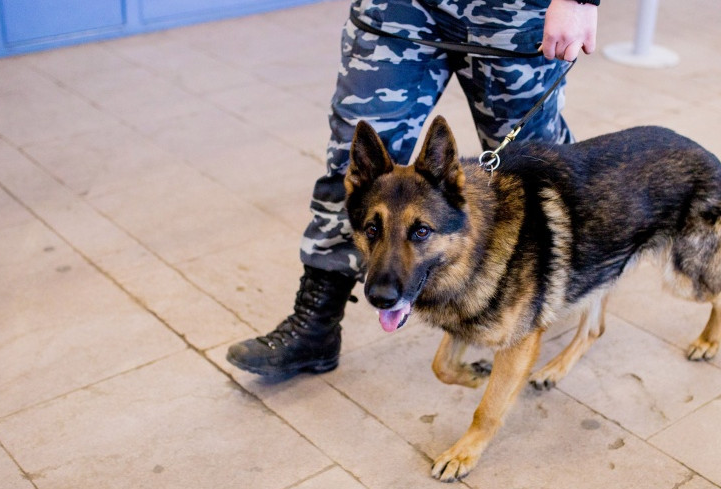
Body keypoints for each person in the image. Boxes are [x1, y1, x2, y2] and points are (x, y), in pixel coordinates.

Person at [227, 0, 599, 380]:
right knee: (358, 167)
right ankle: (316, 320)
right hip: (399, 7)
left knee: (535, 163)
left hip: (513, 11)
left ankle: (548, 294)